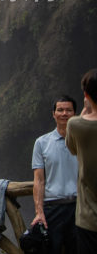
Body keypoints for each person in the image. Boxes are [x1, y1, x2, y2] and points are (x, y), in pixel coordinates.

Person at [30, 95, 78, 253]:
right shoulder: (42, 143)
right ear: (53, 114)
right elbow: (39, 180)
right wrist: (39, 212)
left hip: (79, 207)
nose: (64, 113)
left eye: (69, 110)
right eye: (60, 110)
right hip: (52, 207)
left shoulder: (83, 140)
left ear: (75, 114)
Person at [66, 69, 97, 253]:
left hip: (88, 218)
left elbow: (72, 148)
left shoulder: (75, 125)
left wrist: (86, 109)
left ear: (85, 94)